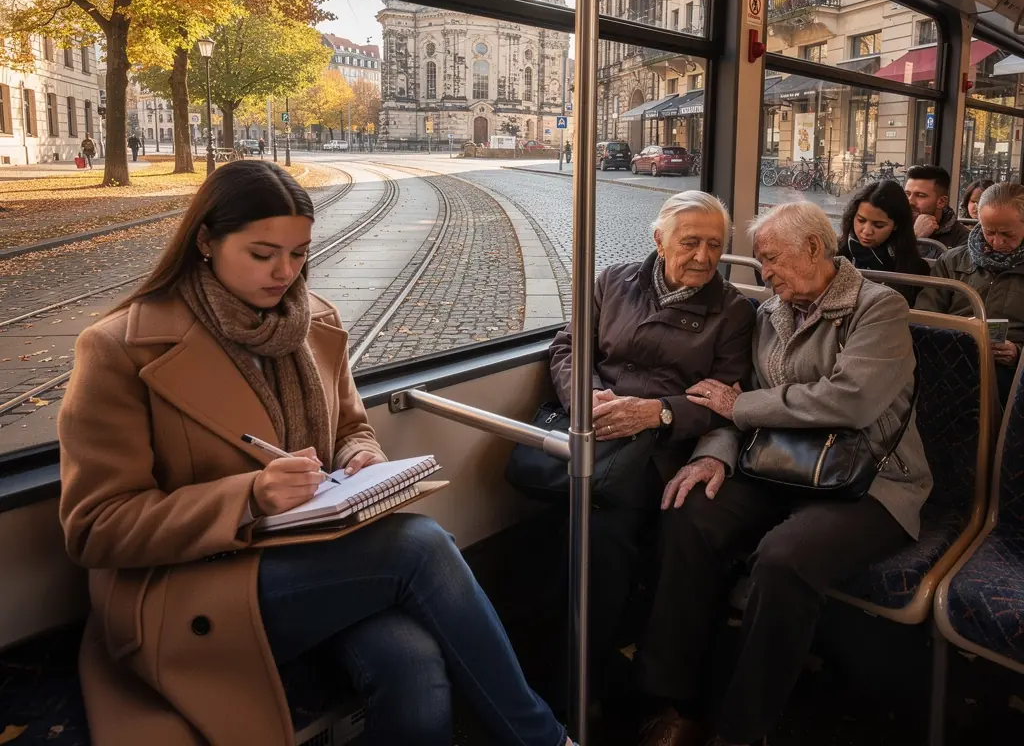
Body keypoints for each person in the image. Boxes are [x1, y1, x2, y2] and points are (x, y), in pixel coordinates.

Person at [58, 160, 575, 746]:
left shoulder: (313, 324)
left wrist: (360, 454)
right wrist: (249, 497)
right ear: (205, 241)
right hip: (187, 589)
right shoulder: (118, 349)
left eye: (300, 253)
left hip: (309, 557)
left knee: (414, 663)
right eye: (262, 254)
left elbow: (351, 426)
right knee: (419, 545)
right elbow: (95, 528)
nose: (286, 272)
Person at [635, 201, 931, 746]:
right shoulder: (771, 312)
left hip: (867, 481)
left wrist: (739, 411)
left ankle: (741, 731)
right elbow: (735, 395)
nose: (762, 272)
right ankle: (673, 699)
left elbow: (852, 402)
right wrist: (713, 456)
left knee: (783, 559)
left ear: (814, 249)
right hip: (776, 464)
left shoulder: (879, 307)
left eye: (770, 259)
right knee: (689, 514)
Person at [548, 191, 754, 706]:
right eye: (690, 243)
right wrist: (586, 398)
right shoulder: (611, 282)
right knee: (566, 515)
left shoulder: (732, 312)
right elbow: (569, 348)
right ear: (659, 241)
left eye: (714, 245)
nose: (704, 257)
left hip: (664, 447)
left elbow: (724, 401)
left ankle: (581, 679)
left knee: (604, 521)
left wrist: (659, 411)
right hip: (596, 425)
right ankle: (567, 659)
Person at [916, 182, 1024, 403]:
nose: (996, 242)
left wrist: (1018, 353)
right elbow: (925, 314)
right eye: (989, 231)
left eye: (1007, 234)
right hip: (950, 357)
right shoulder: (953, 260)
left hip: (1011, 370)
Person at [838, 180, 930, 304]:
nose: (866, 231)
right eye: (861, 220)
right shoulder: (836, 252)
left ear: (896, 225)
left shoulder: (914, 268)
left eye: (879, 225)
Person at [904, 164, 969, 257]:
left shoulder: (962, 238)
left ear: (941, 202)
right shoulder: (893, 227)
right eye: (907, 194)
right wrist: (915, 236)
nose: (910, 201)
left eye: (920, 195)